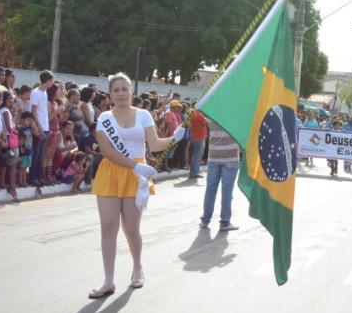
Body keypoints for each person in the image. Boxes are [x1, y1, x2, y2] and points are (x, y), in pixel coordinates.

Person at [89, 72, 184, 298]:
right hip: (112, 172)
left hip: (136, 177)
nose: (121, 94)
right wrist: (136, 166)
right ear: (110, 94)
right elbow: (107, 151)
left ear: (131, 91)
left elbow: (154, 144)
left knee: (131, 229)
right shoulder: (104, 118)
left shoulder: (143, 115)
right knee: (108, 228)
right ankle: (108, 281)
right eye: (116, 90)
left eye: (124, 89)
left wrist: (174, 138)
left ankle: (137, 267)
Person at [200, 117, 240, 231]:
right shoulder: (235, 115)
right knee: (227, 191)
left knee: (210, 189)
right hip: (231, 156)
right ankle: (225, 221)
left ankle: (205, 220)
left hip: (214, 155)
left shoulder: (211, 114)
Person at [187, 105, 207, 178]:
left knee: (195, 155)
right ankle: (194, 172)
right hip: (199, 136)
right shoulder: (198, 114)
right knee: (197, 156)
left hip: (195, 136)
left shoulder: (192, 114)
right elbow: (205, 123)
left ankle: (194, 171)